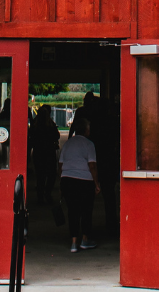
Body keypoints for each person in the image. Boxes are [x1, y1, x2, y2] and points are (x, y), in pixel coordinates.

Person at [58, 113, 99, 252]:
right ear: (86, 130)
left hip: (68, 180)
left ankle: (74, 242)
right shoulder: (89, 144)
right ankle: (85, 239)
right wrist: (96, 183)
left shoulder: (68, 144)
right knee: (86, 211)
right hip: (84, 181)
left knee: (72, 211)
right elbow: (92, 166)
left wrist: (61, 181)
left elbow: (61, 165)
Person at [28, 106, 60, 204]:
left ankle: (40, 196)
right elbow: (57, 136)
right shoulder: (50, 125)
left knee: (40, 176)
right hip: (49, 152)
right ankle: (47, 192)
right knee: (51, 175)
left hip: (38, 153)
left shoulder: (35, 126)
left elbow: (31, 139)